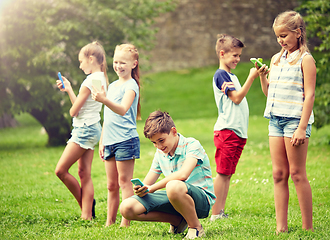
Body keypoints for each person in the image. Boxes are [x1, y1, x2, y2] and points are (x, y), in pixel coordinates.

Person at [259, 11, 315, 233]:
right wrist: (263, 76)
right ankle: (281, 228)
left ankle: (307, 228)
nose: (280, 40)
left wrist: (302, 127)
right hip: (275, 120)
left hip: (295, 122)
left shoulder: (306, 59)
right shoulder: (275, 59)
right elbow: (269, 93)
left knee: (297, 174)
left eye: (284, 35)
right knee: (278, 174)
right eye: (277, 37)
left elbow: (309, 95)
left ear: (298, 33)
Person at [119, 111, 216, 239]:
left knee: (173, 186)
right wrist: (142, 189)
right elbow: (148, 183)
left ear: (174, 131)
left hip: (201, 201)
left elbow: (183, 175)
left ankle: (196, 227)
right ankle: (177, 221)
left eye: (161, 140)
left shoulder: (192, 145)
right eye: (154, 143)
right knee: (127, 207)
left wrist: (152, 188)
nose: (159, 146)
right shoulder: (160, 153)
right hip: (175, 197)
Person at [210, 34, 267, 221]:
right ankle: (215, 213)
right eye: (234, 55)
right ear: (222, 53)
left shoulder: (231, 76)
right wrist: (251, 77)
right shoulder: (221, 75)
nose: (237, 59)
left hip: (237, 132)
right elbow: (236, 98)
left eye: (239, 56)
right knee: (222, 173)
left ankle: (220, 211)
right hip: (227, 131)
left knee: (228, 173)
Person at [55, 41, 108, 220]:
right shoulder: (101, 78)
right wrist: (69, 89)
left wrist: (72, 96)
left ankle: (86, 206)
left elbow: (73, 111)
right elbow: (81, 107)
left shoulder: (89, 81)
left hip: (83, 130)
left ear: (91, 59)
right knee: (84, 173)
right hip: (93, 128)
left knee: (60, 171)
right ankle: (87, 214)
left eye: (81, 61)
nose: (80, 65)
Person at [91, 43, 141, 227]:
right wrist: (102, 141)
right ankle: (109, 222)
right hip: (110, 141)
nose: (119, 66)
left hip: (125, 140)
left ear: (133, 64)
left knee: (124, 182)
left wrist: (104, 99)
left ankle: (125, 222)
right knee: (111, 185)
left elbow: (121, 110)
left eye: (123, 62)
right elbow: (108, 117)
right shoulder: (112, 86)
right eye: (116, 61)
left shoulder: (131, 85)